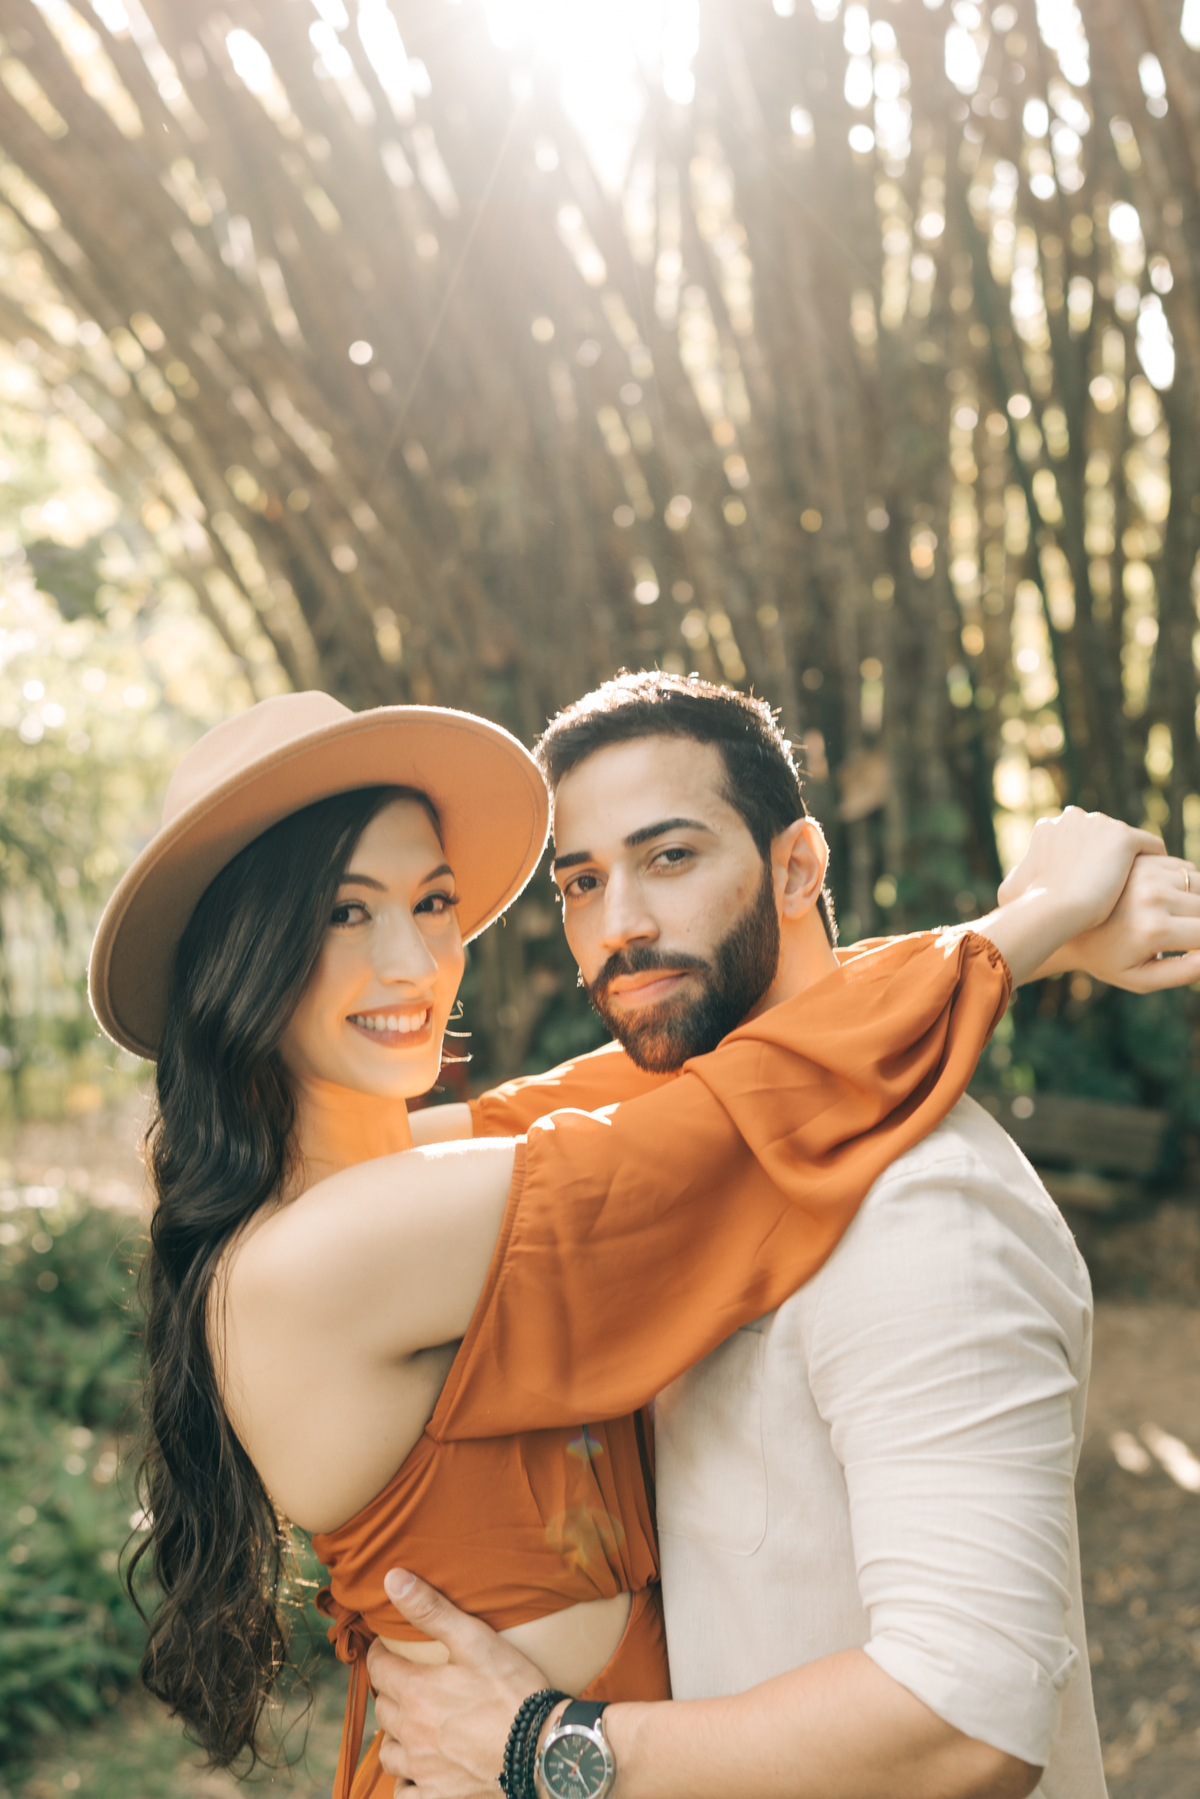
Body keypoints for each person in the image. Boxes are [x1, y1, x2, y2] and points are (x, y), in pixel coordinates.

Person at [88, 684, 1188, 1799]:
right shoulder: (327, 1250)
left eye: (430, 902)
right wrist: (1032, 923)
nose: (415, 964)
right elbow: (731, 1108)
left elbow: (764, 1040)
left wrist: (1029, 939)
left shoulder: (423, 1161)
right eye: (342, 912)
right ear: (239, 961)